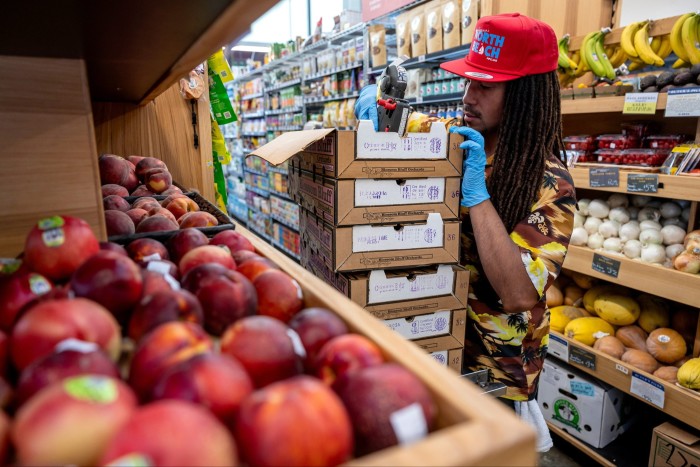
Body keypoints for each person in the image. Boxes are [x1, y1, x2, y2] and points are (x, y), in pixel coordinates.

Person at [355, 13, 576, 452]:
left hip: (494, 372)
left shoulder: (551, 185)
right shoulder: (455, 137)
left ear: (523, 97)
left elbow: (518, 293)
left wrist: (478, 196)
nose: (469, 96)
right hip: (432, 346)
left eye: (486, 87)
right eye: (469, 81)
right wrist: (381, 108)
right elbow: (401, 120)